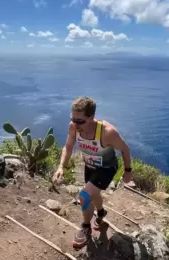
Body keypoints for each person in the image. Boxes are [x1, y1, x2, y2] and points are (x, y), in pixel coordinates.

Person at [52, 96, 133, 249]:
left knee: (84, 196)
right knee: (93, 194)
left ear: (91, 117)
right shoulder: (74, 127)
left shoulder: (107, 133)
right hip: (90, 166)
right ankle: (101, 212)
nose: (76, 124)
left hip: (107, 168)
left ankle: (85, 227)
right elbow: (68, 146)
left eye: (80, 121)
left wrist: (127, 170)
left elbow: (125, 149)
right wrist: (61, 166)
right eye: (73, 119)